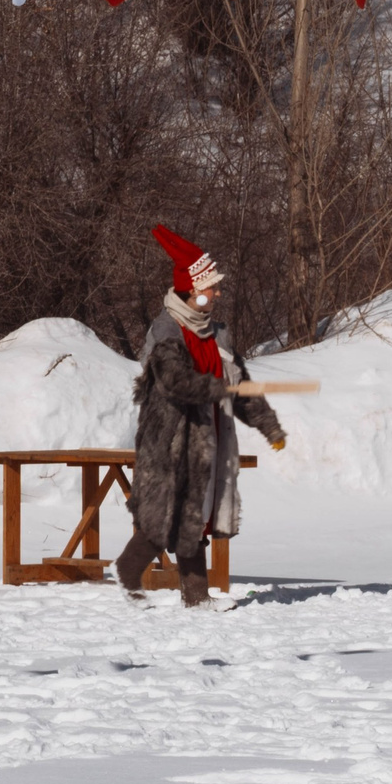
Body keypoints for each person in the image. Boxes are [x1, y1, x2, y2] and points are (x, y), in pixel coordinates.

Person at [120, 227, 287, 607]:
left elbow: (240, 387)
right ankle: (128, 574)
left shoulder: (219, 336)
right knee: (161, 519)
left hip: (208, 438)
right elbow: (173, 380)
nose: (218, 294)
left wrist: (270, 426)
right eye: (212, 288)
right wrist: (214, 389)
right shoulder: (166, 331)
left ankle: (196, 597)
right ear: (193, 290)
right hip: (170, 443)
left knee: (192, 518)